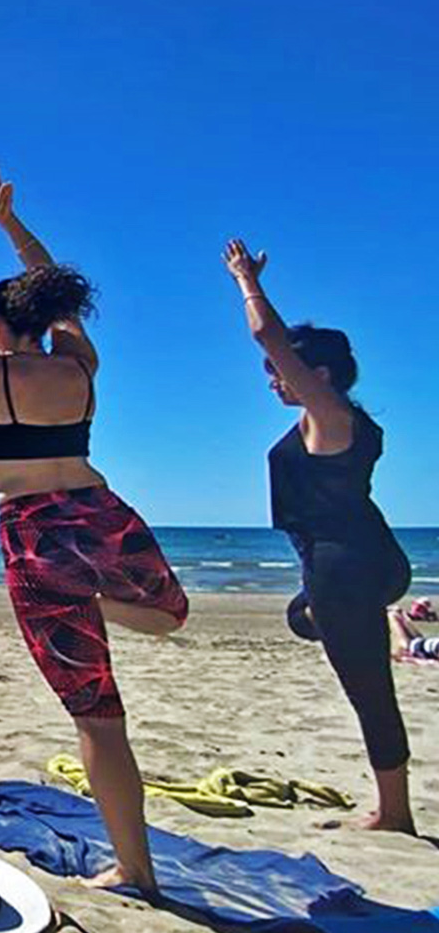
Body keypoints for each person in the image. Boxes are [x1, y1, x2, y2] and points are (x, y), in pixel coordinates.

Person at [0, 165, 186, 892]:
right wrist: (16, 228)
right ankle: (103, 602)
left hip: (34, 535)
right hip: (98, 514)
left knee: (97, 716)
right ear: (48, 320)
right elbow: (45, 279)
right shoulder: (79, 363)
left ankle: (134, 869)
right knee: (171, 618)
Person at [224, 238, 416, 833]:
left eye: (281, 373)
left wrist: (246, 282)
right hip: (361, 558)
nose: (272, 381)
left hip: (343, 565)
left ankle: (395, 814)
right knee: (300, 617)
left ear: (320, 374)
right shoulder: (335, 422)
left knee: (367, 689)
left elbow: (269, 338)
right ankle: (373, 626)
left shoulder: (333, 418)